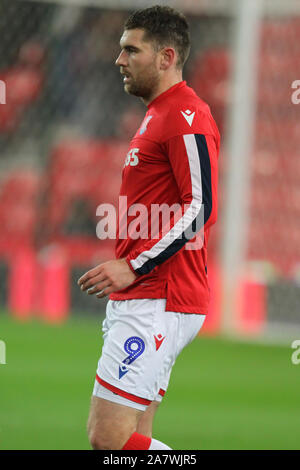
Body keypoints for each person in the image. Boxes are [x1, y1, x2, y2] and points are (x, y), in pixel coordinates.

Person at [78, 5, 220, 450]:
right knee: (136, 438)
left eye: (130, 49)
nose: (119, 59)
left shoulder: (185, 116)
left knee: (109, 439)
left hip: (159, 294)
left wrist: (134, 266)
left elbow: (201, 206)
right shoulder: (158, 113)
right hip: (150, 295)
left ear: (166, 57)